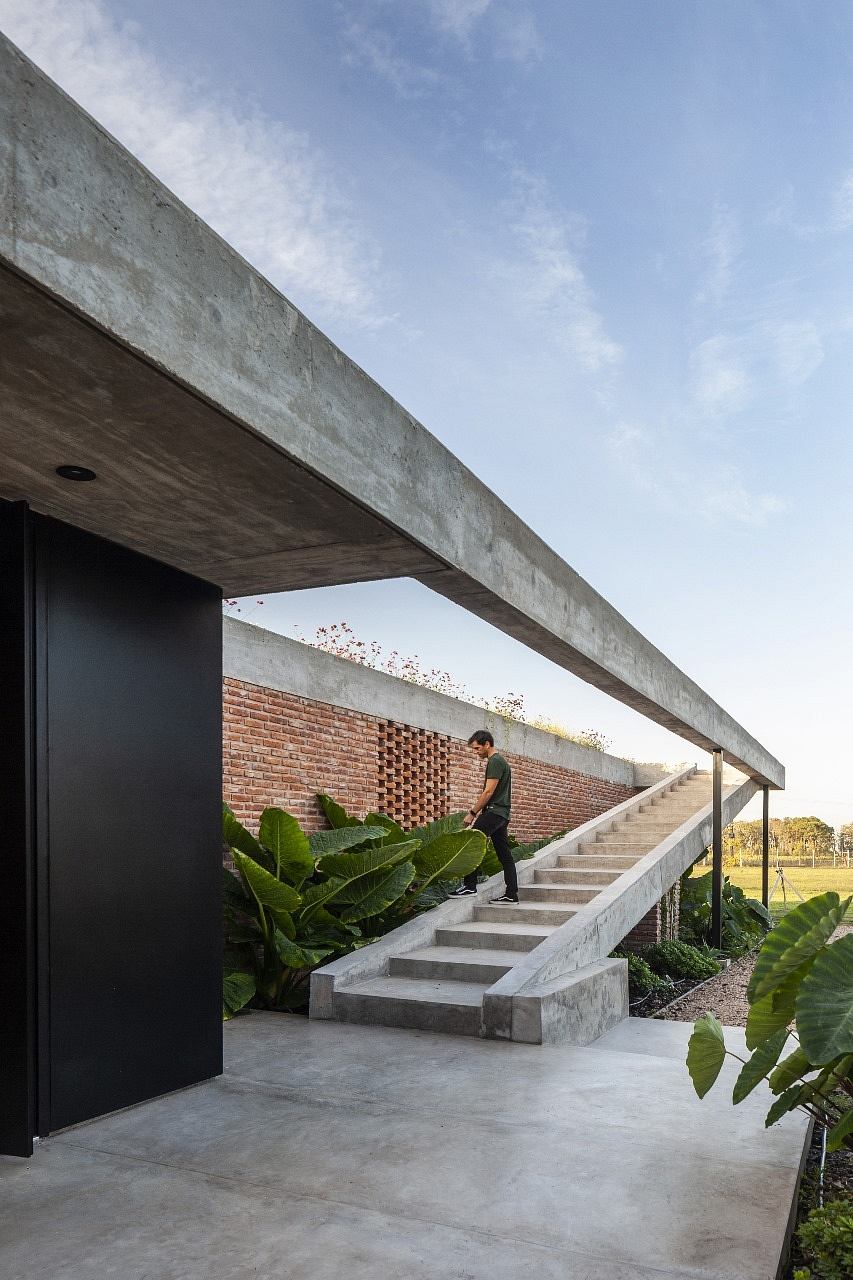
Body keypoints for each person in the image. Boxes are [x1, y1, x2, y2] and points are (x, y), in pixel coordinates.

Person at [450, 729, 518, 904]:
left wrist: (472, 813)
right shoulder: (501, 761)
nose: (476, 752)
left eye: (477, 748)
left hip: (494, 812)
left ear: (487, 744)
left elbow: (488, 792)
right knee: (505, 856)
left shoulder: (495, 761)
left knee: (471, 843)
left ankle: (469, 887)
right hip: (502, 814)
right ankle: (511, 894)